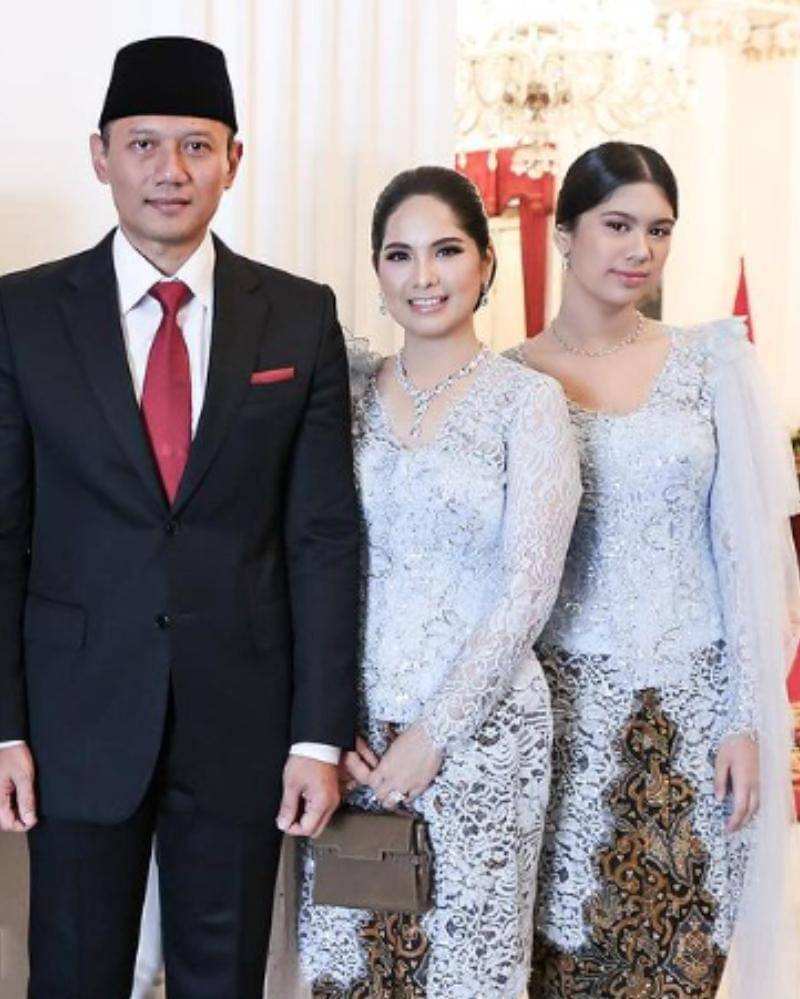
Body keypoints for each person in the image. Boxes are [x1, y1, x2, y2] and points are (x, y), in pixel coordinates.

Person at [0, 36, 360, 998]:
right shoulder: (22, 314)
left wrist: (317, 736)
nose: (171, 170)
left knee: (223, 980)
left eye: (197, 145)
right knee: (72, 975)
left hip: (242, 719)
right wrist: (3, 727)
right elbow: (2, 532)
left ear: (233, 161)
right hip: (75, 717)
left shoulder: (298, 316)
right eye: (144, 144)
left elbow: (323, 537)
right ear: (101, 156)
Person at [506, 141, 800, 998]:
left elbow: (744, 553)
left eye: (660, 229)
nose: (640, 249)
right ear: (565, 234)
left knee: (683, 955)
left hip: (698, 708)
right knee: (565, 961)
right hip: (562, 713)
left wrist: (747, 719)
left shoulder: (711, 362)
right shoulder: (511, 380)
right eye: (618, 225)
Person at [296, 166, 581, 999]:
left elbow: (529, 588)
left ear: (486, 264)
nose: (424, 275)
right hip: (355, 741)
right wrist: (328, 723)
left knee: (469, 974)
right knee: (352, 969)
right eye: (400, 255)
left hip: (484, 732)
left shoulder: (529, 402)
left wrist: (435, 734)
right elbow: (311, 557)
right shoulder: (343, 395)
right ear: (378, 272)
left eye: (447, 250)